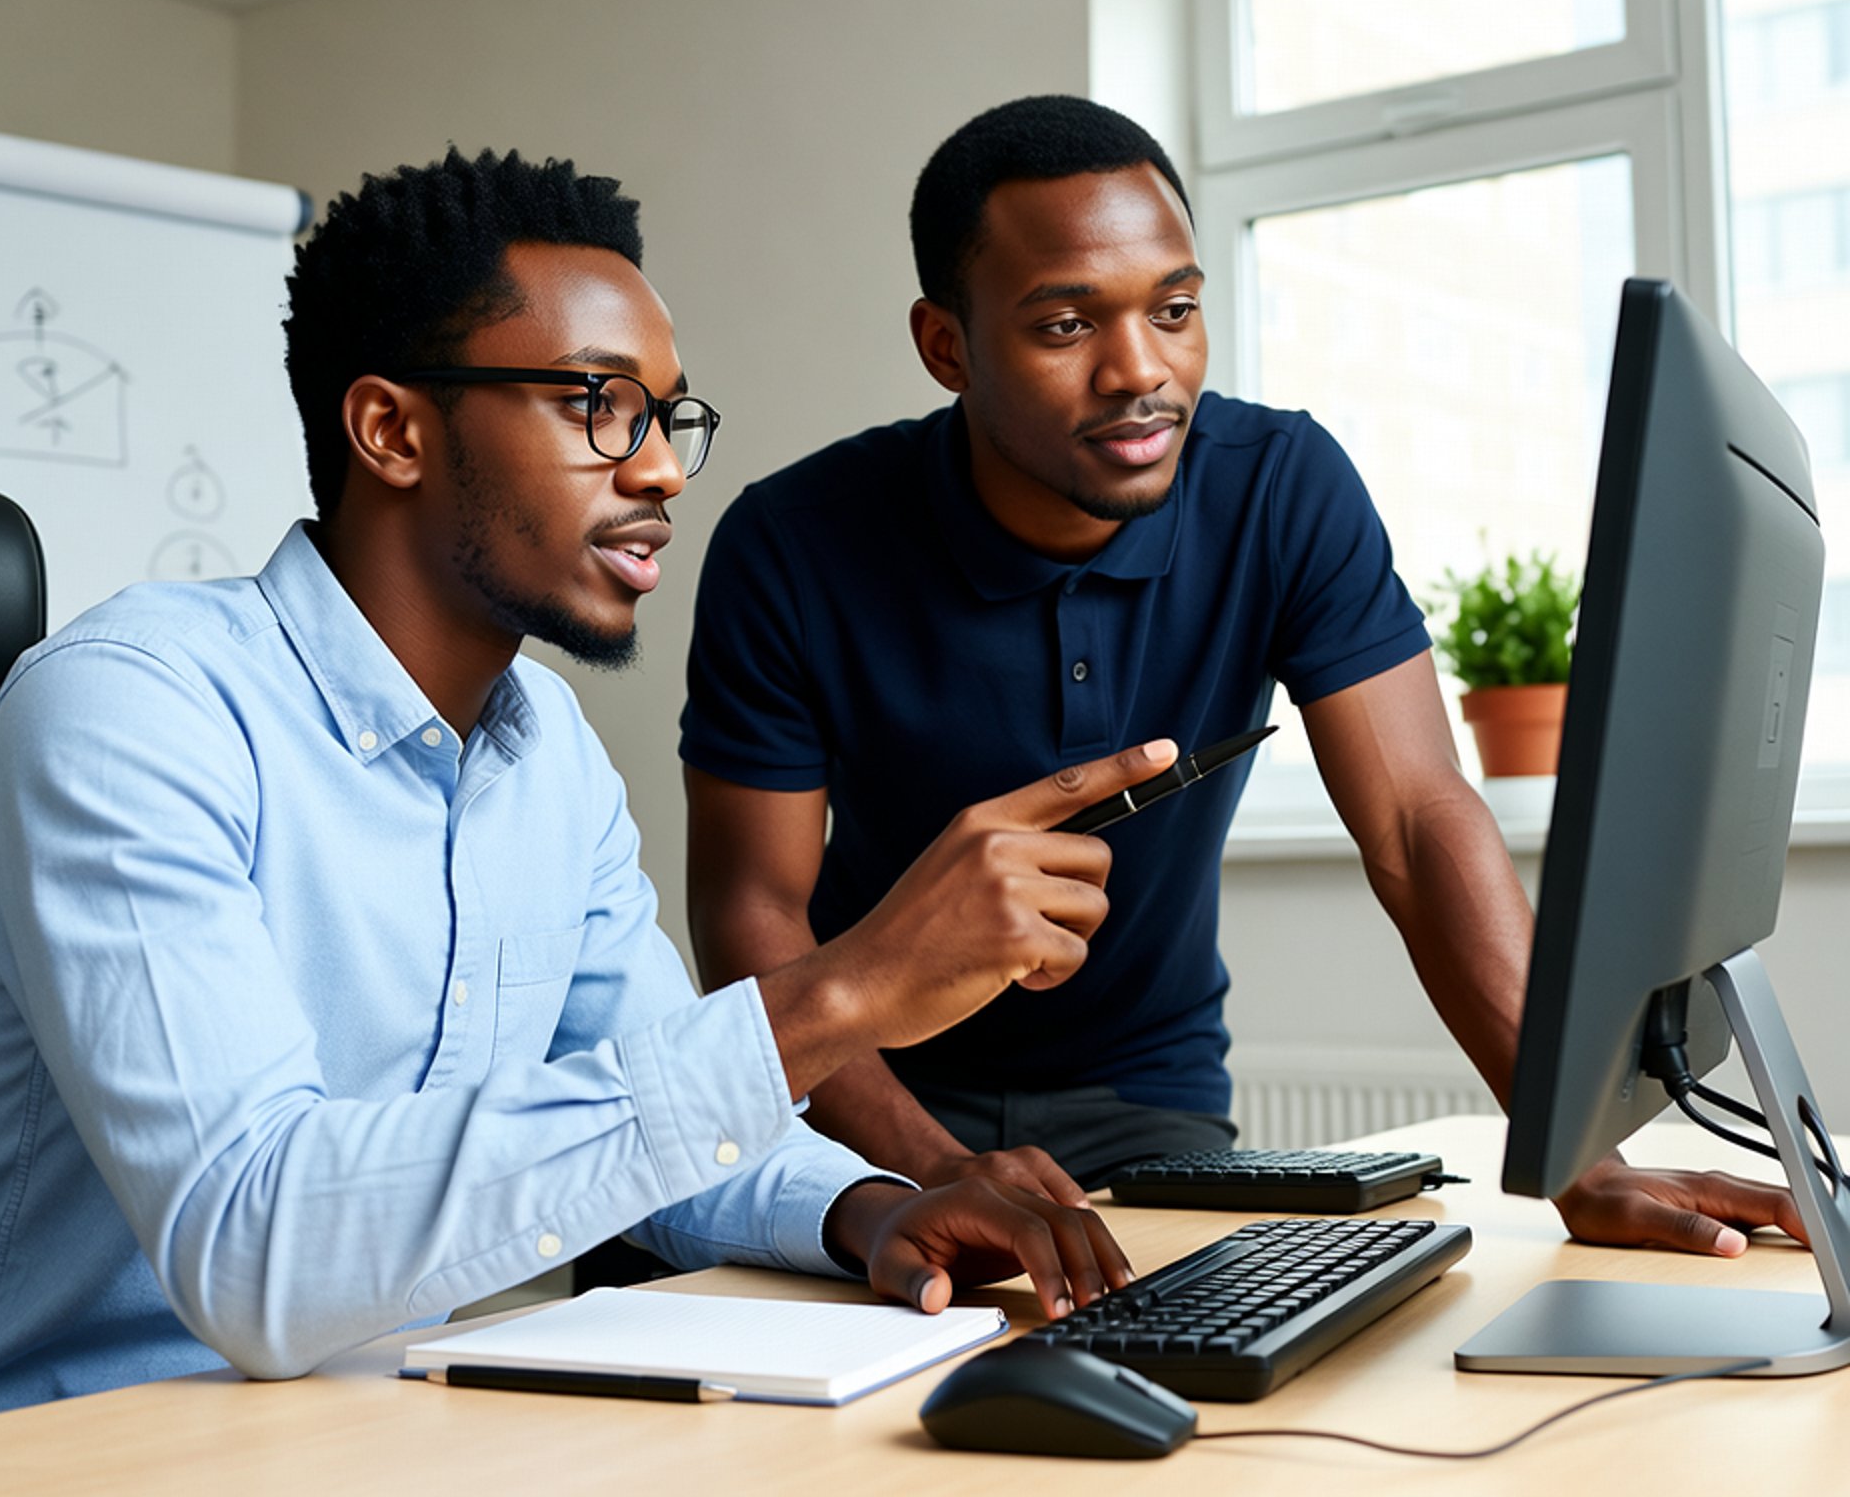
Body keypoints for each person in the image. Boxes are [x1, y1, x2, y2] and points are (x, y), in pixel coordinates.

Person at [0, 147, 1142, 1415]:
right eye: (598, 404)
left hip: (365, 1423)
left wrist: (875, 1209)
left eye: (669, 418)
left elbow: (668, 1125)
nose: (665, 470)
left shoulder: (544, 751)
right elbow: (257, 1244)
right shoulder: (130, 707)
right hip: (57, 1444)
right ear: (392, 429)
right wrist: (843, 991)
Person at [682, 94, 1806, 1255]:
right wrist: (930, 1169)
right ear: (947, 347)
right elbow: (748, 907)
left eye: (1174, 311)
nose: (1141, 371)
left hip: (1146, 1104)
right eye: (1067, 326)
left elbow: (1419, 826)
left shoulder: (1282, 486)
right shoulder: (793, 541)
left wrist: (1579, 1157)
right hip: (862, 1111)